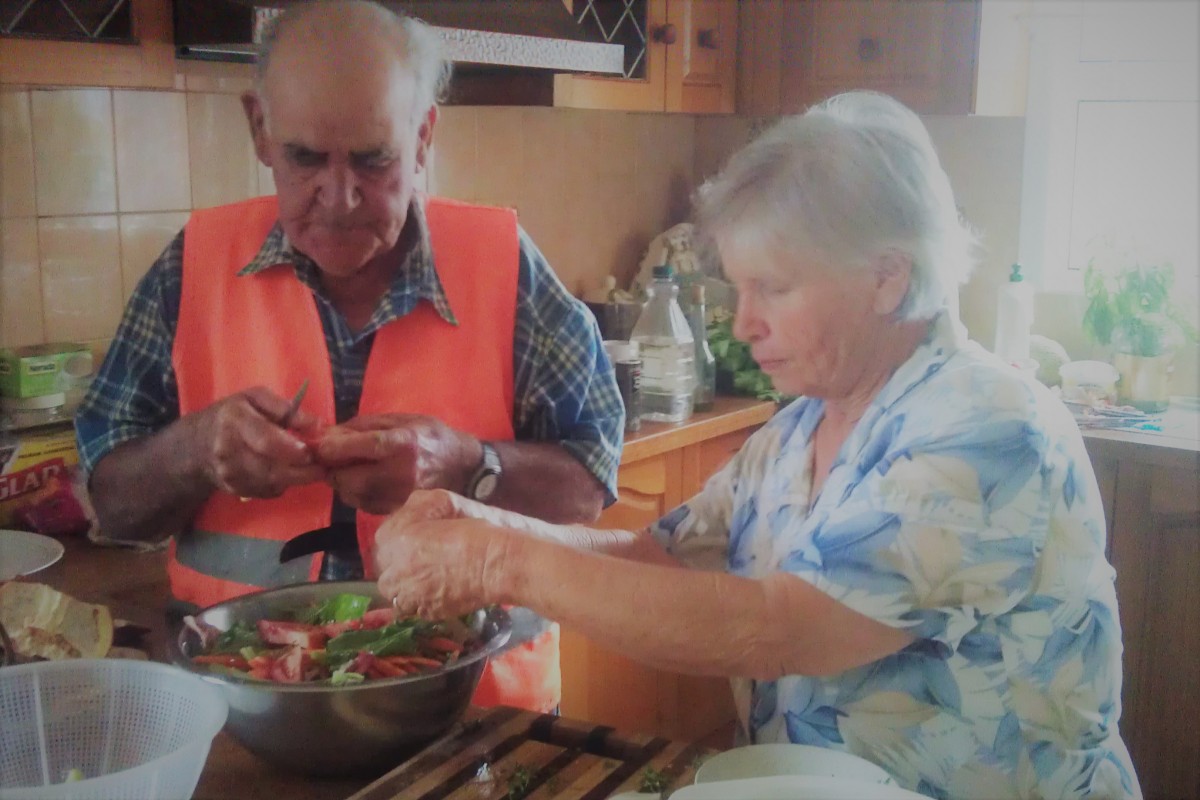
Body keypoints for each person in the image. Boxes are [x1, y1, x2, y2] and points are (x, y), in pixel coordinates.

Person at [373, 92, 1143, 799]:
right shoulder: (801, 427)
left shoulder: (989, 431)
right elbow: (661, 558)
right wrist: (488, 529)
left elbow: (775, 629)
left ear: (885, 278)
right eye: (739, 289)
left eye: (773, 288)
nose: (742, 325)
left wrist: (499, 563)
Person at [74, 0, 623, 713]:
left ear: (424, 136)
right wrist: (195, 451)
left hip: (478, 727)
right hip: (246, 724)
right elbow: (109, 506)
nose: (339, 196)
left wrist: (466, 466)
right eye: (306, 158)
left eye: (374, 158)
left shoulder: (505, 270)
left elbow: (591, 483)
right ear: (260, 130)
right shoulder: (193, 268)